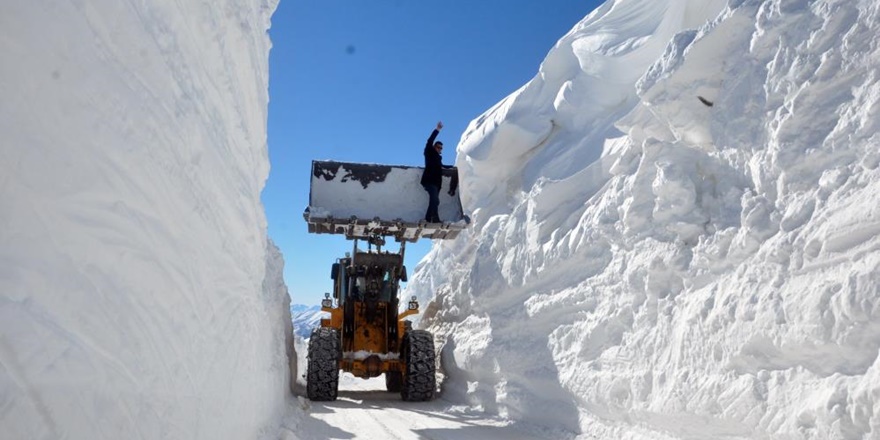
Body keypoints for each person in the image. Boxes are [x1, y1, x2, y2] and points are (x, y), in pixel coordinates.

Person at [421, 121, 450, 223]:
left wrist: (451, 167)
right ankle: (432, 219)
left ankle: (430, 218)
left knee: (435, 201)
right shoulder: (429, 152)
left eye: (441, 148)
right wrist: (437, 129)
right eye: (438, 147)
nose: (439, 149)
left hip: (437, 182)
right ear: (434, 146)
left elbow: (442, 166)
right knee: (435, 200)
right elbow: (430, 140)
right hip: (429, 181)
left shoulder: (438, 158)